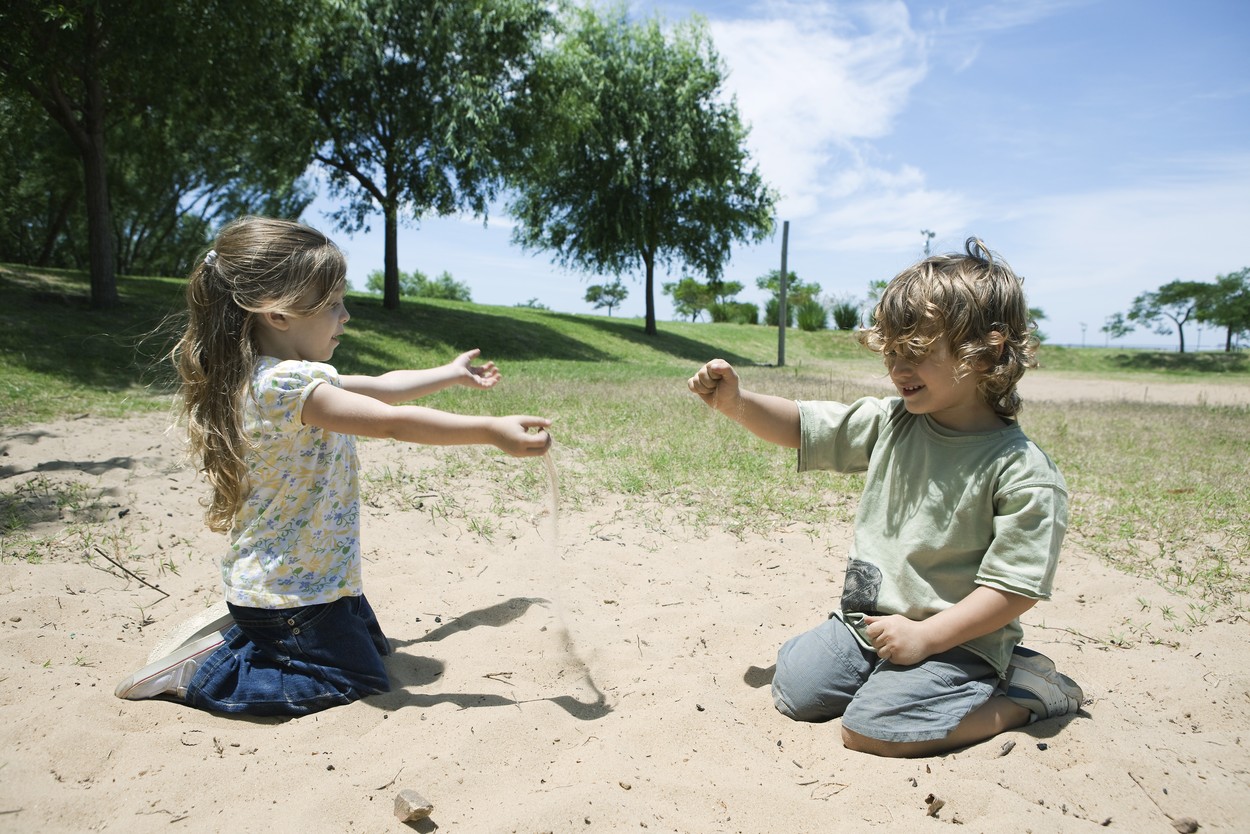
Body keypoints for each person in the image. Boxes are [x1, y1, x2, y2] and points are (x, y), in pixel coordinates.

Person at [114, 216, 552, 715]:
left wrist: (448, 374)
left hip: (316, 580)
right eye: (333, 304)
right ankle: (208, 672)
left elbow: (385, 385)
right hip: (293, 595)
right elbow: (391, 421)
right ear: (278, 314)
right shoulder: (285, 387)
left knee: (378, 654)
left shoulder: (281, 377)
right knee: (355, 680)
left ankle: (248, 637)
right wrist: (489, 432)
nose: (346, 316)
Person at [687, 238, 1083, 757]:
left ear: (986, 354)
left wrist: (929, 637)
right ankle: (891, 679)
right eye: (893, 352)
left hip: (958, 643)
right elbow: (804, 427)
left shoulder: (1023, 473)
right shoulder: (892, 422)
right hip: (866, 627)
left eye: (916, 353)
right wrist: (738, 403)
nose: (898, 369)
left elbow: (1015, 590)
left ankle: (1026, 695)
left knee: (873, 729)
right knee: (794, 688)